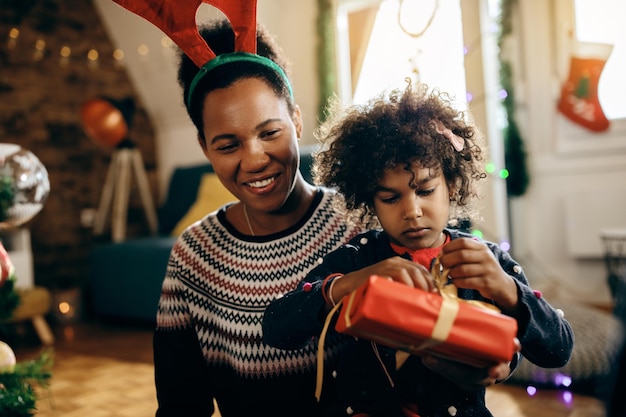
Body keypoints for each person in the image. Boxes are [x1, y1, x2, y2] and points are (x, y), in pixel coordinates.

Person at [263, 81, 575, 417]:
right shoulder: (360, 258)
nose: (411, 211)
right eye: (391, 198)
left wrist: (507, 290)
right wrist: (347, 285)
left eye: (425, 190)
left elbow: (558, 350)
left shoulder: (486, 262)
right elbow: (277, 327)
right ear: (370, 201)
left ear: (452, 185)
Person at [152, 18, 363, 417]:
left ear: (297, 121)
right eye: (229, 144)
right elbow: (181, 405)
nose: (254, 159)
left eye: (270, 133)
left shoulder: (360, 223)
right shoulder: (193, 255)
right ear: (204, 146)